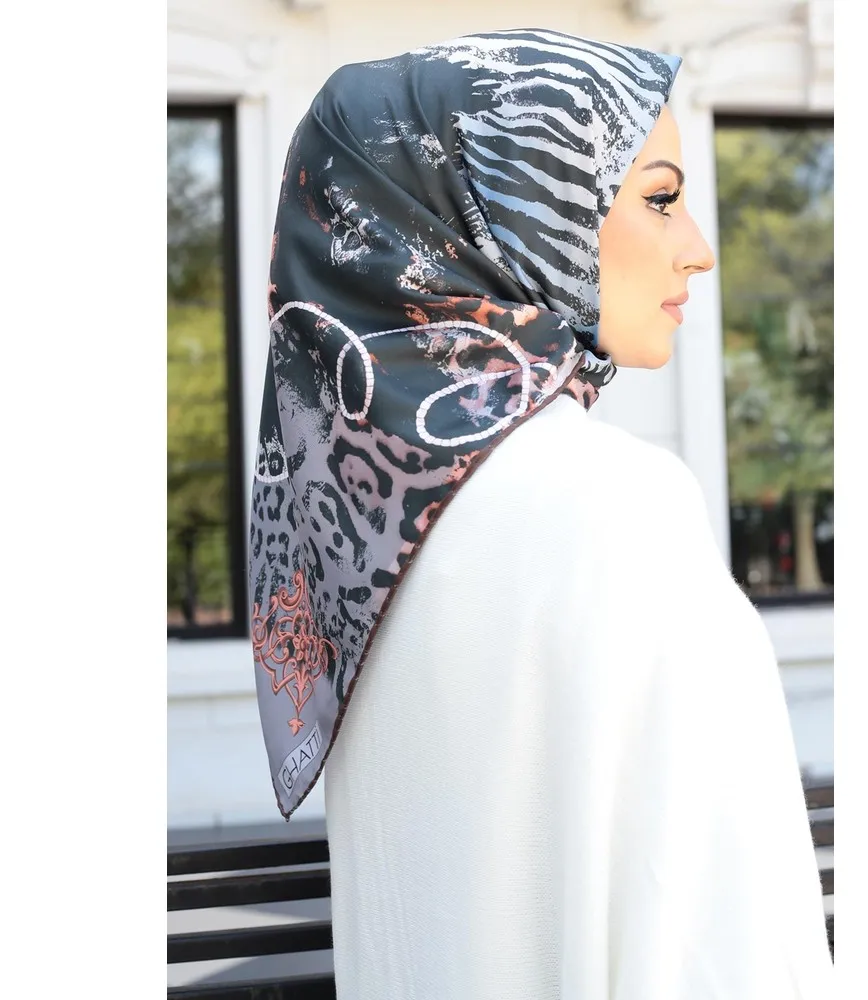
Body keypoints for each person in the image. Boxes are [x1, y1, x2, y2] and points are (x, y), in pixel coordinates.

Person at [248, 27, 834, 999]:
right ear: (515, 213)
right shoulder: (618, 508)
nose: (698, 250)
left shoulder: (354, 549)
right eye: (659, 199)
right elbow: (729, 943)